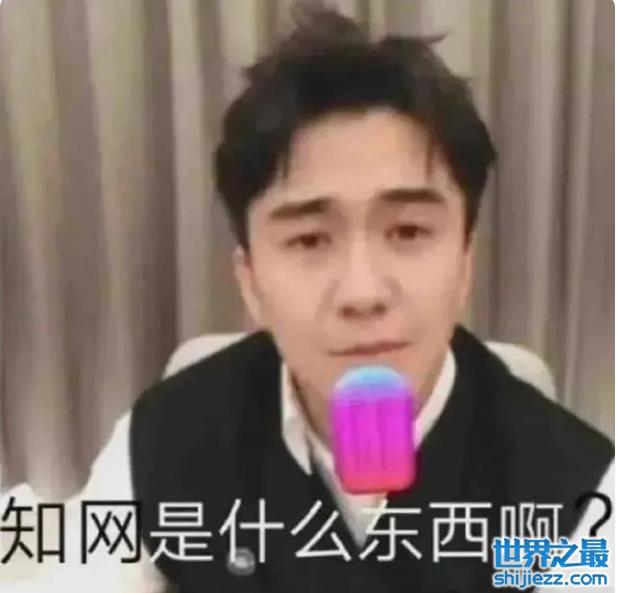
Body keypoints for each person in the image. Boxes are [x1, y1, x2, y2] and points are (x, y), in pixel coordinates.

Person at [1, 6, 613, 593]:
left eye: (408, 232)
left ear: (465, 264)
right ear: (250, 282)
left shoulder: (571, 499)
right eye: (310, 239)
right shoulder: (161, 444)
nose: (363, 293)